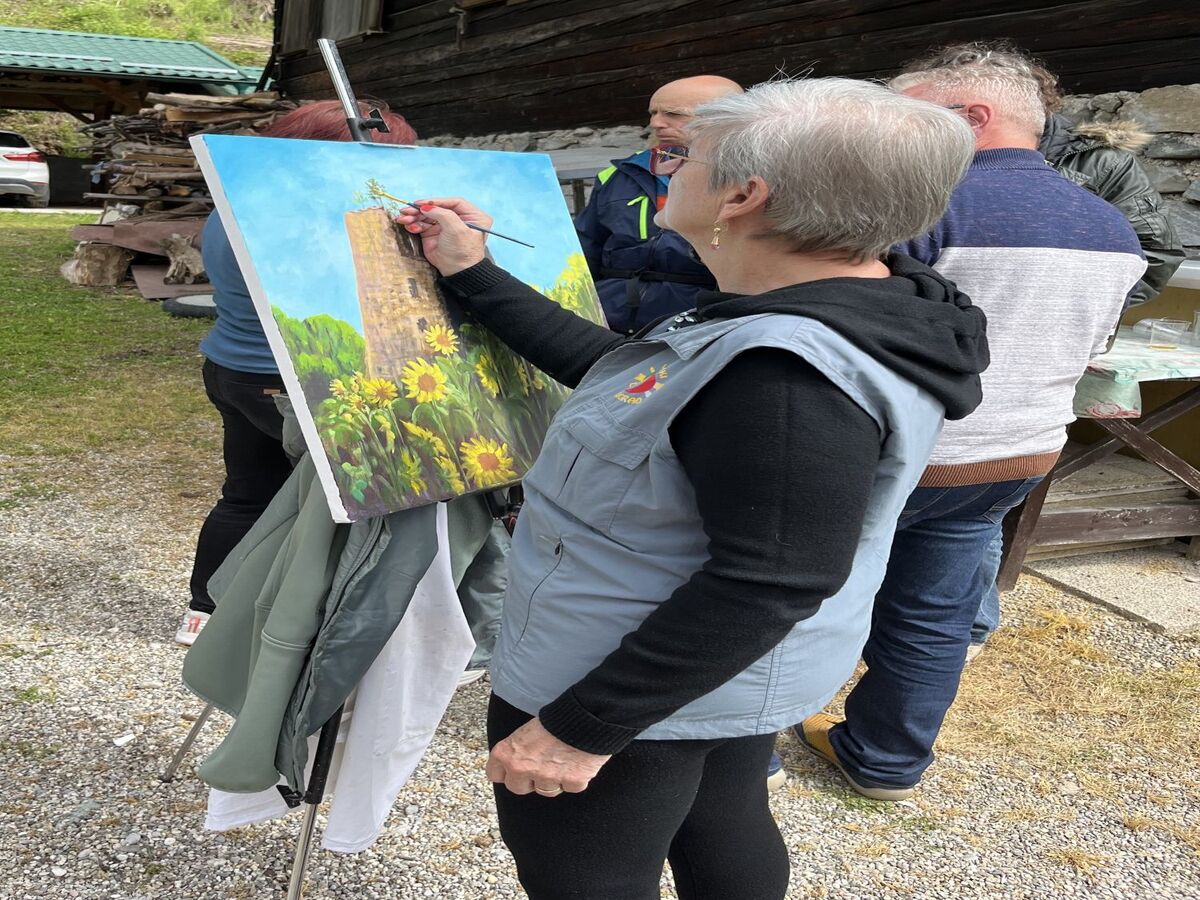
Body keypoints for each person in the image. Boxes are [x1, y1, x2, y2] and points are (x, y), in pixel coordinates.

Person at [396, 78, 986, 899]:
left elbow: (771, 577)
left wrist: (579, 727)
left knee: (587, 876)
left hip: (632, 672)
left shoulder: (785, 374)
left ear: (743, 196)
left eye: (684, 157)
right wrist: (474, 272)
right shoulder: (855, 300)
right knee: (724, 817)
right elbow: (630, 382)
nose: (664, 167)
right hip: (717, 672)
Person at [795, 64, 1147, 802]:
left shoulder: (923, 206)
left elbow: (847, 334)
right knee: (934, 616)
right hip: (1018, 452)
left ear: (973, 118)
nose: (887, 136)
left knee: (790, 593)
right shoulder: (1108, 223)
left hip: (901, 452)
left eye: (904, 117)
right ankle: (885, 761)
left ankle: (741, 751)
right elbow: (1094, 350)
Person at [896, 41, 1185, 655]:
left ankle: (967, 626)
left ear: (982, 111)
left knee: (958, 526)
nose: (902, 132)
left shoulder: (1095, 167)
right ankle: (953, 633)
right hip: (980, 403)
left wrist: (1055, 316)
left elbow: (1153, 254)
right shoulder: (939, 179)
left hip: (993, 402)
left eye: (918, 115)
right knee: (961, 535)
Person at [176, 100, 419, 646]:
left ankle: (205, 613)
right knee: (329, 507)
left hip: (231, 369)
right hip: (284, 382)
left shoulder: (238, 202)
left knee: (246, 495)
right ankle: (302, 620)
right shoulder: (313, 220)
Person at [574, 75, 742, 335]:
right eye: (653, 113)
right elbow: (584, 252)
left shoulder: (749, 179)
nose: (655, 123)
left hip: (701, 328)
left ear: (726, 119)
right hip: (608, 324)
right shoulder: (619, 175)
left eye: (673, 114)